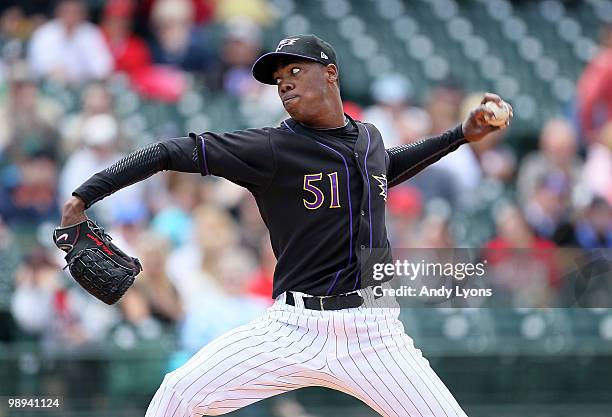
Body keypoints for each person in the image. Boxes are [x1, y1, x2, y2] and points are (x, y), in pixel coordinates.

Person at [59, 35, 512, 417]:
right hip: (293, 328)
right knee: (178, 394)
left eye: (295, 70)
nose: (284, 84)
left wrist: (459, 136)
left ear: (330, 73)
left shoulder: (370, 138)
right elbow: (169, 151)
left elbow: (383, 170)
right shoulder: (272, 148)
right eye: (279, 79)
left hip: (375, 333)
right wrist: (84, 196)